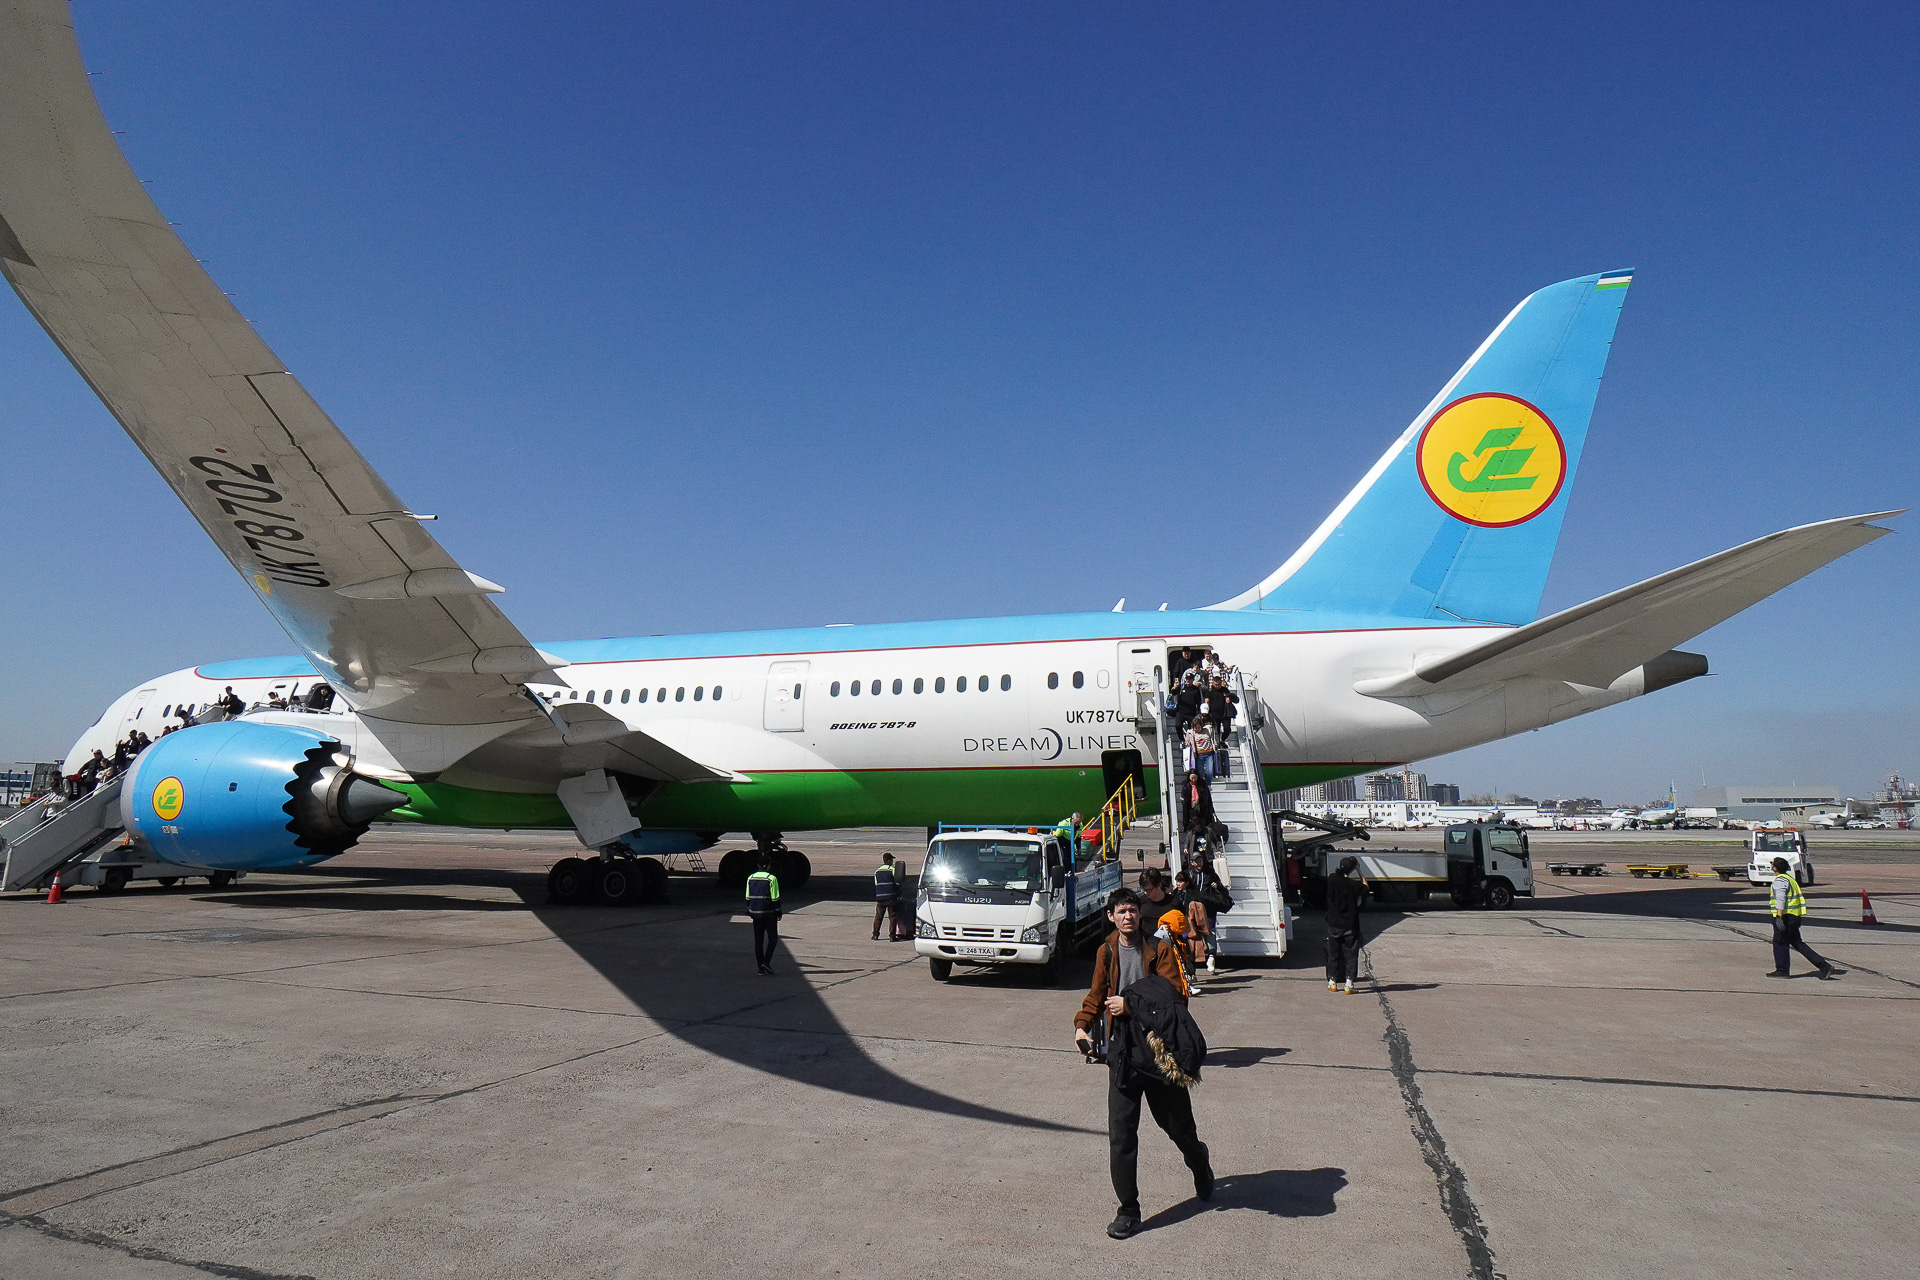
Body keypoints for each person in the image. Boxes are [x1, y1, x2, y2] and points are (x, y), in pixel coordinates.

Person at [1073, 887, 1214, 1239]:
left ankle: (1198, 1160)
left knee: (1179, 1129)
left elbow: (1175, 997)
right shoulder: (1106, 951)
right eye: (1121, 911)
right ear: (1111, 916)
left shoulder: (1160, 949)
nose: (1127, 916)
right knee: (1121, 1136)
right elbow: (1097, 994)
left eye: (1132, 910)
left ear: (1139, 915)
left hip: (1158, 1054)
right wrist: (1081, 1025)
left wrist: (1132, 1006)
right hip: (1122, 1055)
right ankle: (1128, 1209)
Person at [1766, 857, 1839, 979]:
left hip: (1785, 917)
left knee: (1780, 942)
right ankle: (1824, 966)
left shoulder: (1780, 881)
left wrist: (1779, 916)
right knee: (1797, 943)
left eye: (1772, 864)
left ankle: (1782, 970)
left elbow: (1781, 898)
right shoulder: (1790, 879)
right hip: (1794, 916)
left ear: (1775, 868)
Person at [1325, 854, 1366, 992]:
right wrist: (1359, 870)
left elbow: (1336, 876)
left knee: (1333, 953)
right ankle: (1349, 983)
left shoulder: (1332, 879)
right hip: (1349, 925)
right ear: (1351, 870)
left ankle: (1332, 981)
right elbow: (1365, 887)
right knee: (1351, 955)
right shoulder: (1353, 885)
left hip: (1334, 923)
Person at [745, 854, 783, 975]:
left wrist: (749, 910)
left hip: (756, 914)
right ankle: (766, 962)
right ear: (768, 866)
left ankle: (760, 968)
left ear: (758, 865)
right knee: (773, 938)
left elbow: (747, 897)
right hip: (769, 914)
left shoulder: (750, 878)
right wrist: (778, 912)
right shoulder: (771, 878)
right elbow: (775, 898)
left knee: (758, 941)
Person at [1179, 770, 1213, 857]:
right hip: (1191, 810)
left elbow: (1207, 798)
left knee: (1203, 827)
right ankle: (1192, 846)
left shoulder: (1202, 785)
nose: (1193, 779)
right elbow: (1184, 796)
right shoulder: (1186, 786)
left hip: (1202, 809)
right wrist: (1183, 799)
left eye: (1195, 778)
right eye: (1192, 778)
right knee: (1192, 828)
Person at [872, 851, 901, 940]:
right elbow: (898, 882)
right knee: (892, 917)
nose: (892, 861)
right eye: (891, 860)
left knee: (878, 917)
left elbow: (877, 884)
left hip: (880, 898)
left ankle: (875, 935)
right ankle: (892, 936)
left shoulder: (877, 871)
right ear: (888, 860)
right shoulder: (892, 870)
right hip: (891, 897)